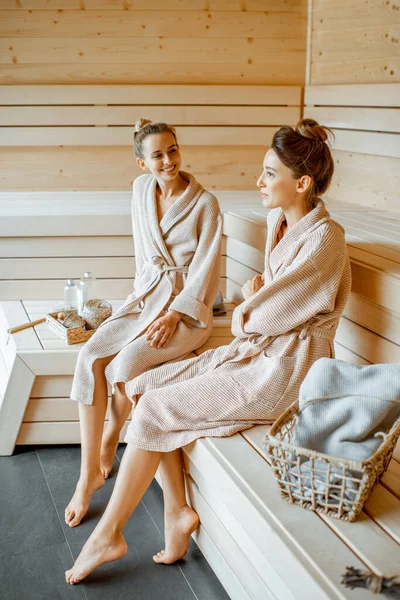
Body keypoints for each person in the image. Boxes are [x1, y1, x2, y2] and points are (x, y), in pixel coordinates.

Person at [65, 118, 352, 584]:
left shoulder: (325, 239)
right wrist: (254, 301)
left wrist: (246, 306)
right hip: (258, 352)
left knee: (155, 406)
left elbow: (261, 313)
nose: (258, 182)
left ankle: (107, 536)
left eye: (268, 174)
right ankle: (177, 512)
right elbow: (265, 301)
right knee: (141, 383)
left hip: (286, 372)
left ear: (301, 183)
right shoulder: (281, 221)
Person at [65, 119, 223, 528]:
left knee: (125, 364)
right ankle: (87, 477)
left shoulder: (205, 204)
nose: (169, 160)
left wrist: (175, 312)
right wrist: (145, 302)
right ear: (142, 164)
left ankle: (112, 433)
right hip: (146, 299)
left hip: (186, 312)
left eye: (173, 150)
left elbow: (207, 271)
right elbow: (143, 256)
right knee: (90, 356)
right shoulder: (139, 192)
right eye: (158, 155)